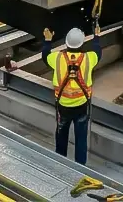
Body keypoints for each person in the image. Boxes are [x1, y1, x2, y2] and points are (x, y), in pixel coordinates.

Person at [43, 25, 102, 166]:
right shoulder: (89, 58)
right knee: (81, 139)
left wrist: (47, 40)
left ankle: (60, 163)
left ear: (66, 42)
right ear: (82, 43)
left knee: (61, 136)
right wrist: (96, 36)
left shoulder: (56, 58)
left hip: (63, 106)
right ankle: (80, 167)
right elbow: (98, 51)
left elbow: (45, 55)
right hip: (81, 106)